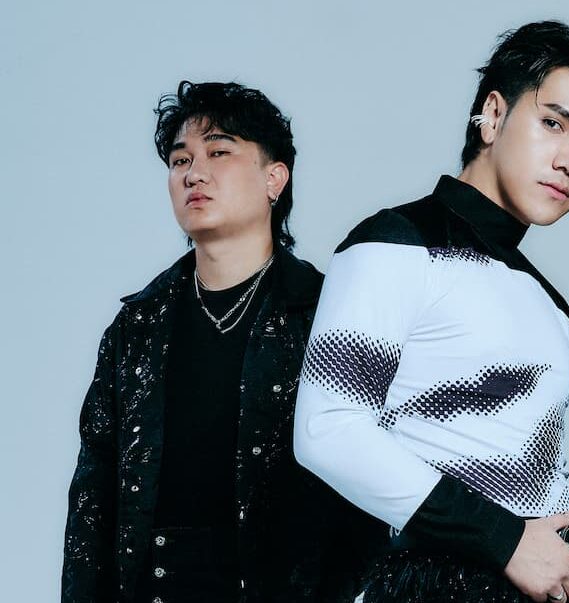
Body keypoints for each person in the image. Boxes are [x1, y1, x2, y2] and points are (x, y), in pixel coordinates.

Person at [293, 21, 569, 603]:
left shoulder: (551, 304)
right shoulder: (396, 243)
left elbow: (516, 471)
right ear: (493, 115)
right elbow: (327, 429)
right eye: (554, 123)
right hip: (429, 586)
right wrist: (505, 541)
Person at [62, 81, 386, 603]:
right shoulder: (136, 328)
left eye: (219, 152)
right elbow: (92, 496)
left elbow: (366, 485)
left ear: (274, 178)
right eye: (180, 160)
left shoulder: (328, 315)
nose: (194, 173)